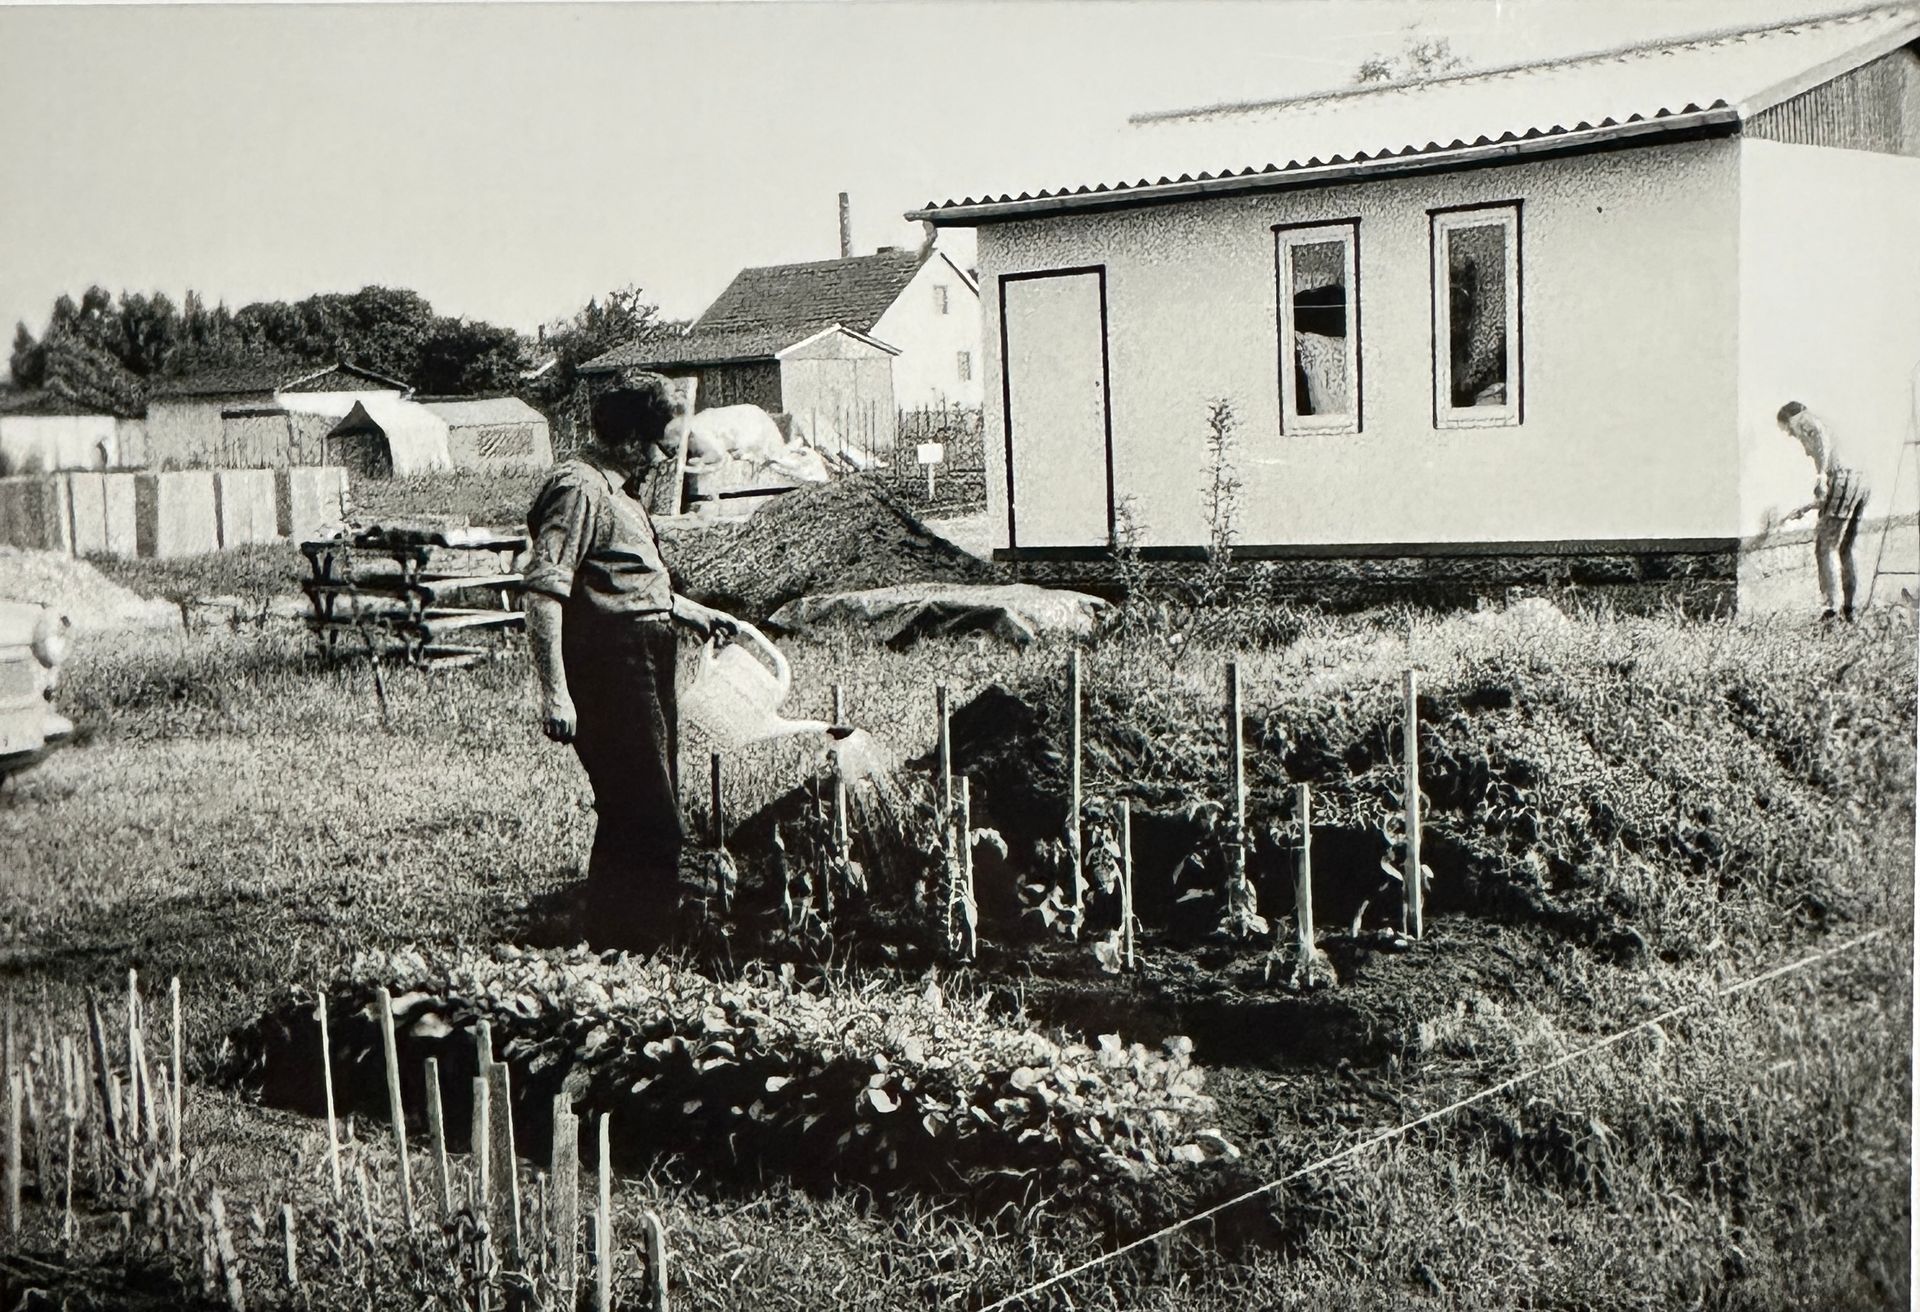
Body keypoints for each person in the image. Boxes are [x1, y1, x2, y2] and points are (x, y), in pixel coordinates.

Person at [524, 376, 736, 953]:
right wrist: (555, 693)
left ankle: (609, 942)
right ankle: (646, 946)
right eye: (660, 447)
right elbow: (544, 593)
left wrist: (689, 610)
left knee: (629, 807)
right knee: (651, 814)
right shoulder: (579, 489)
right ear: (625, 439)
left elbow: (625, 580)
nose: (666, 460)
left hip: (647, 653)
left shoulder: (624, 489)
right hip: (610, 664)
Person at [1776, 401, 1871, 623]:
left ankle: (1830, 612)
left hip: (1842, 478)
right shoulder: (1828, 426)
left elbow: (1820, 438)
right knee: (1844, 548)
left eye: (1790, 431)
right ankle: (1849, 610)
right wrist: (1805, 508)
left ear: (1792, 420)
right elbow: (1835, 496)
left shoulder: (1805, 420)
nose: (1793, 436)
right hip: (1860, 481)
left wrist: (1821, 476)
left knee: (1825, 546)